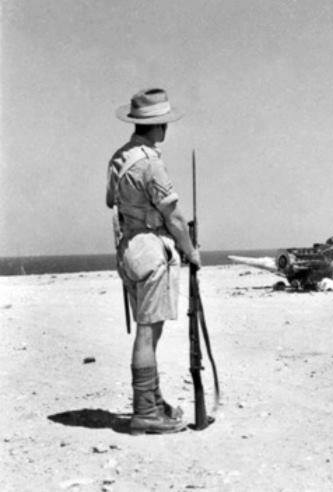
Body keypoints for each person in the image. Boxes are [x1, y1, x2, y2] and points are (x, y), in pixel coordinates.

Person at [106, 88, 201, 435]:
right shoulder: (150, 163)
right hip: (150, 251)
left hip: (129, 248)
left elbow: (112, 203)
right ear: (158, 126)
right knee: (148, 333)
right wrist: (190, 251)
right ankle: (145, 411)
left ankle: (153, 401)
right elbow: (173, 217)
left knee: (150, 329)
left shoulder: (120, 158)